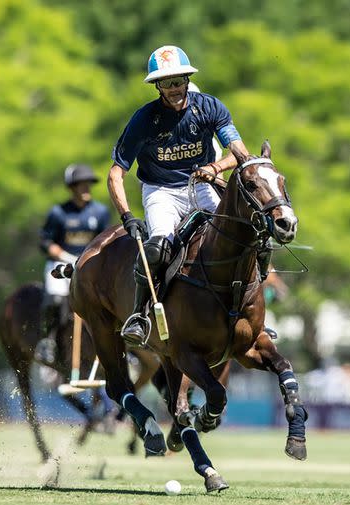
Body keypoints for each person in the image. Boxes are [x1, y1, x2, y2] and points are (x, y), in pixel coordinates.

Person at [107, 45, 251, 345]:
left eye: (178, 81)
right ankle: (140, 314)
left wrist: (215, 167)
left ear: (188, 79)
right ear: (156, 86)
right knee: (158, 248)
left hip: (201, 186)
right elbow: (115, 174)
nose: (174, 88)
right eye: (166, 83)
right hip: (161, 191)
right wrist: (127, 216)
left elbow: (239, 153)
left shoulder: (210, 107)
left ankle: (252, 309)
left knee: (242, 234)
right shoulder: (144, 119)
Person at [38, 164, 110, 360]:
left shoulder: (100, 212)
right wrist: (62, 255)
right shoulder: (58, 213)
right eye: (81, 185)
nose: (86, 188)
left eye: (89, 184)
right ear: (72, 188)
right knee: (55, 299)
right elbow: (45, 242)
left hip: (90, 266)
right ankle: (48, 341)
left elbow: (106, 240)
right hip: (60, 266)